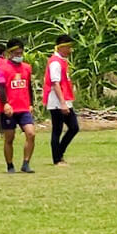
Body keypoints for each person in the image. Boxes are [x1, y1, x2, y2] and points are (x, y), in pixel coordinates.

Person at [0, 38, 36, 173]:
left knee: (31, 134)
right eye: (16, 53)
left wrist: (31, 103)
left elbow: (29, 86)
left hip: (24, 108)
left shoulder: (27, 67)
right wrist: (5, 104)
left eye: (21, 53)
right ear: (10, 53)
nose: (19, 55)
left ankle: (26, 163)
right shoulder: (2, 68)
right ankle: (10, 165)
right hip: (9, 109)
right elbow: (1, 88)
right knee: (9, 138)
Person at [43, 34, 79, 165]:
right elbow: (55, 83)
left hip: (64, 99)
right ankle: (57, 159)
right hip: (57, 102)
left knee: (74, 127)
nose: (70, 50)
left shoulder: (62, 61)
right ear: (61, 48)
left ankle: (60, 152)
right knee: (57, 130)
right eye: (68, 47)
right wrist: (62, 103)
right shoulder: (55, 63)